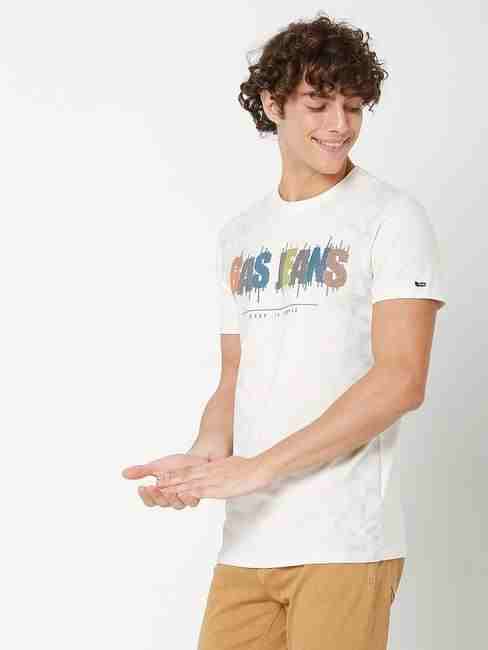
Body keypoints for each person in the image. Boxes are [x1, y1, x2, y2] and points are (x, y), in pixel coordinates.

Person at [121, 12, 447, 650]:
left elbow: (401, 380)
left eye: (353, 107)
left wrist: (259, 469)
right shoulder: (240, 235)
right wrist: (204, 459)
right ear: (272, 105)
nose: (339, 125)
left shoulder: (391, 218)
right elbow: (235, 377)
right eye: (318, 104)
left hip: (344, 541)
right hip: (249, 541)